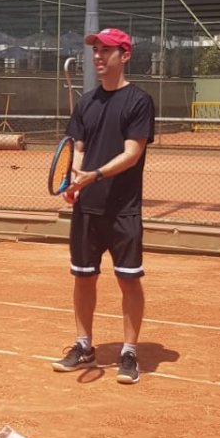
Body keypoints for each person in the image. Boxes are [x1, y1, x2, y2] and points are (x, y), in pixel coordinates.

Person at [54, 29, 155, 384]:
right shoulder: (86, 103)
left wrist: (94, 175)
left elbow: (132, 153)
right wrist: (73, 181)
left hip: (123, 208)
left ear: (124, 55)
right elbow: (78, 148)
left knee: (129, 281)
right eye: (95, 50)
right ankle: (84, 346)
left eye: (105, 50)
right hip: (87, 209)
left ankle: (129, 351)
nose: (97, 56)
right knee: (83, 278)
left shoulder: (138, 102)